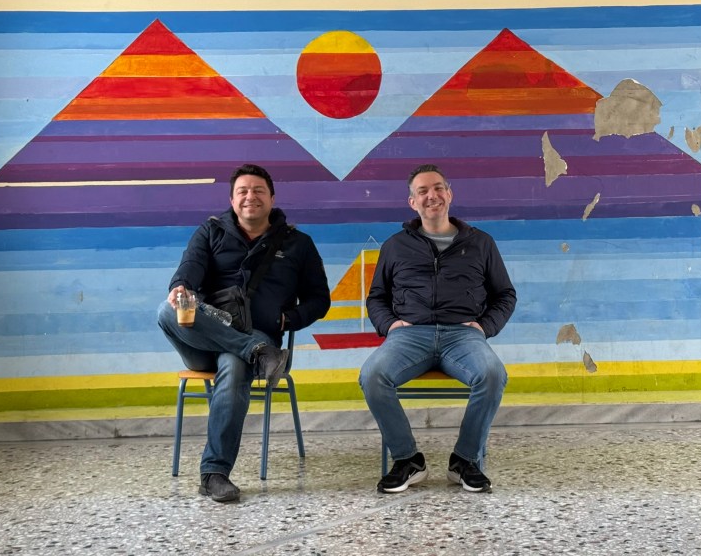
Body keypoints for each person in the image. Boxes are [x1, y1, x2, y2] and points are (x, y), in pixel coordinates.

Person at [157, 164, 330, 503]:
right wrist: (181, 287)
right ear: (232, 200)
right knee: (165, 310)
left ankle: (214, 474)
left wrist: (288, 319)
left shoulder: (299, 243)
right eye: (243, 191)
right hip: (206, 339)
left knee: (234, 365)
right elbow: (189, 269)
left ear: (272, 198)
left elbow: (319, 299)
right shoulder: (210, 232)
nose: (251, 196)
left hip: (262, 332)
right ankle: (256, 351)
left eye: (258, 190)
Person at [359, 164, 516, 494]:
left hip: (463, 335)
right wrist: (390, 325)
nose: (432, 196)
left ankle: (465, 460)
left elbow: (505, 294)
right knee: (372, 375)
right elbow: (376, 297)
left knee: (492, 374)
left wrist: (484, 327)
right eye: (423, 191)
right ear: (412, 202)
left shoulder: (481, 243)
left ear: (449, 194)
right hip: (409, 335)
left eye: (438, 188)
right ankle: (407, 460)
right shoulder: (395, 245)